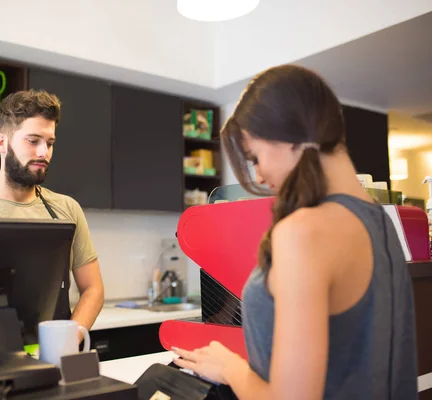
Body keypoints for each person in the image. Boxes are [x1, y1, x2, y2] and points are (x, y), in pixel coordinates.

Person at [173, 65, 418, 399]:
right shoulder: (386, 223)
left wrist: (229, 366)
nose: (258, 176)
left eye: (254, 157)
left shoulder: (303, 232)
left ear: (292, 136)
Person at [0, 89, 104, 339]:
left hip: (56, 358)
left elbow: (93, 289)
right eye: (33, 140)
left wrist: (68, 340)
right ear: (2, 143)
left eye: (50, 144)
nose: (43, 153)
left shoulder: (68, 210)